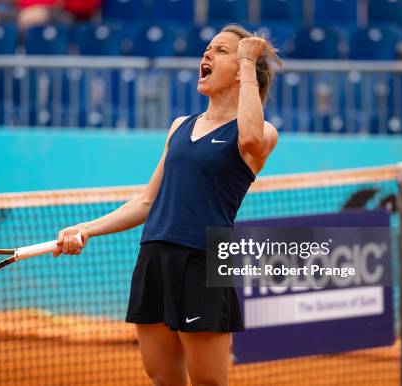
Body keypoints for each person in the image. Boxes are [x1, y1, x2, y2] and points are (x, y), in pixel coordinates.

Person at [53, 24, 281, 386]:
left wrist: (250, 60)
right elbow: (147, 200)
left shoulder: (260, 132)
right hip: (155, 258)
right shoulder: (179, 127)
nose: (206, 54)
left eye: (222, 51)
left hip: (204, 261)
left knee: (208, 381)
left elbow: (251, 137)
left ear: (241, 69)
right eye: (208, 48)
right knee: (161, 377)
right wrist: (86, 229)